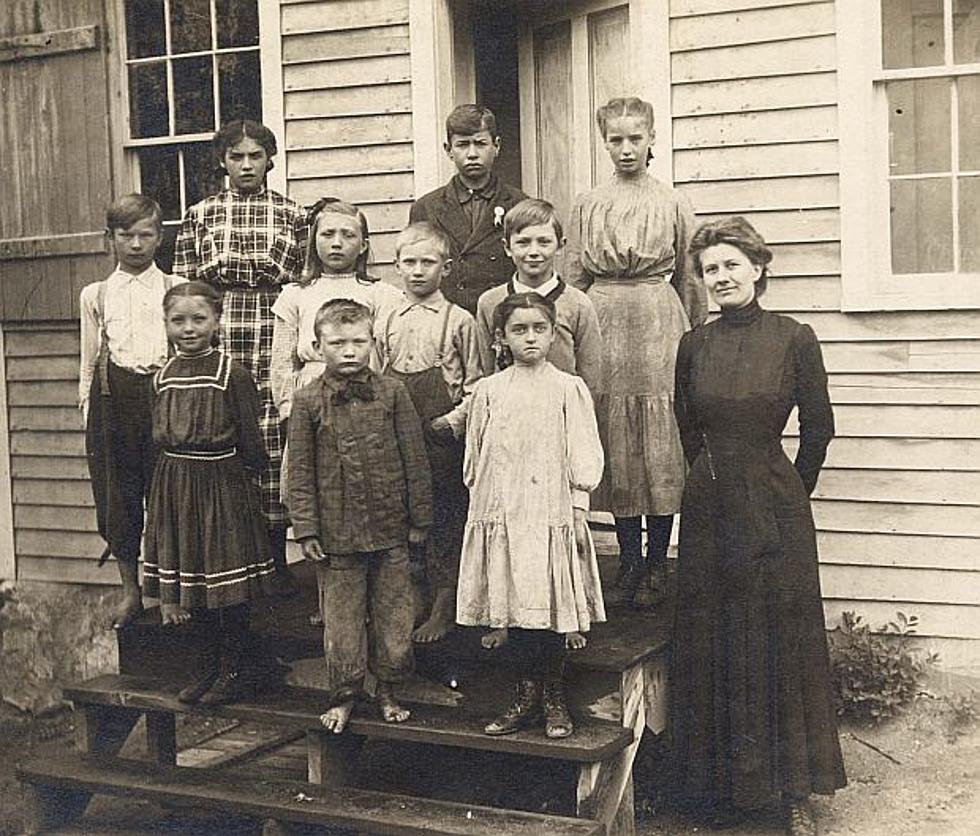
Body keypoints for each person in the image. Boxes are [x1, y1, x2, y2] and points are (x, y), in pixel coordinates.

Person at [671, 217, 845, 836]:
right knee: (714, 634)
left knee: (776, 638)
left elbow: (819, 428)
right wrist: (713, 481)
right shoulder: (694, 343)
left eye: (731, 265)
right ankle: (715, 788)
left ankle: (786, 788)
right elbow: (687, 424)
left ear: (758, 268)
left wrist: (790, 489)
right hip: (710, 505)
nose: (721, 277)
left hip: (775, 506)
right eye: (710, 269)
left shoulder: (795, 338)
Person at [565, 96, 708, 607]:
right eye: (615, 139)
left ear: (652, 140)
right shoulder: (588, 203)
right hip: (605, 317)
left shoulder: (671, 202)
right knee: (619, 440)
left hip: (656, 319)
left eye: (635, 138)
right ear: (604, 142)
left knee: (659, 438)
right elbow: (574, 279)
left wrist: (694, 339)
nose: (626, 149)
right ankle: (626, 560)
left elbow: (692, 278)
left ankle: (654, 563)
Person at [457, 293, 605, 739]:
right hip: (504, 512)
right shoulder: (488, 391)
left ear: (553, 331)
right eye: (519, 330)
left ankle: (555, 699)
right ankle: (524, 696)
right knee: (515, 608)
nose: (530, 338)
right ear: (501, 338)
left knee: (548, 606)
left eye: (539, 329)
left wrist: (578, 507)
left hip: (548, 514)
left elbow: (582, 451)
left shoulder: (567, 388)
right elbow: (476, 459)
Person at [173, 119, 307, 593]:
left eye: (255, 156)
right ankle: (230, 556)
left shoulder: (293, 215)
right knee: (225, 430)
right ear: (222, 162)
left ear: (270, 159)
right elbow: (184, 287)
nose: (246, 165)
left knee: (270, 434)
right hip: (220, 330)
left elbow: (302, 285)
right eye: (236, 157)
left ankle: (275, 556)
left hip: (273, 329)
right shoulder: (201, 215)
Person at [287, 299, 432, 733]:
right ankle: (345, 694)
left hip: (390, 530)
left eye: (358, 342)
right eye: (337, 343)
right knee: (343, 620)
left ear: (373, 342)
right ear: (317, 346)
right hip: (338, 534)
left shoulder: (393, 393)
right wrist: (307, 527)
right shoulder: (308, 400)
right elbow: (300, 470)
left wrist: (420, 519)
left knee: (394, 615)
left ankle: (389, 688)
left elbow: (415, 457)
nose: (349, 351)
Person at [142, 282, 275, 706]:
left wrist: (245, 484)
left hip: (221, 482)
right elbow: (156, 438)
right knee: (192, 579)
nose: (188, 328)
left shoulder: (231, 373)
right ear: (165, 324)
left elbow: (252, 441)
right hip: (175, 485)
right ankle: (206, 665)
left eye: (198, 319)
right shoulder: (161, 377)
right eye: (177, 320)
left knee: (225, 582)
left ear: (216, 321)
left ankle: (234, 669)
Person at [79, 194, 184, 629]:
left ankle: (173, 593)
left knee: (170, 497)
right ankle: (131, 592)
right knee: (118, 500)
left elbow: (188, 349)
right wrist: (86, 408)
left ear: (160, 237)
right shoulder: (96, 295)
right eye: (127, 236)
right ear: (111, 239)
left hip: (164, 400)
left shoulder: (174, 287)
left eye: (146, 235)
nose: (136, 244)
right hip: (112, 404)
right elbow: (87, 359)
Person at [375, 222, 482, 644]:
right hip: (395, 432)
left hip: (439, 435)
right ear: (396, 266)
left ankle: (444, 602)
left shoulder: (460, 321)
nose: (418, 271)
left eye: (428, 262)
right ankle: (412, 593)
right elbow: (376, 375)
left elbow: (477, 386)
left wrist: (450, 423)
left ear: (447, 267)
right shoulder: (386, 318)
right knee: (404, 514)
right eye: (409, 262)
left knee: (443, 516)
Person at [270, 197, 402, 422]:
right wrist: (289, 408)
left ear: (363, 245)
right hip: (312, 397)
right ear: (313, 241)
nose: (337, 243)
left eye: (348, 235)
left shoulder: (383, 295)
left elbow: (389, 356)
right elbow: (282, 362)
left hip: (366, 396)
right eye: (328, 234)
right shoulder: (295, 294)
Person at [409, 104, 527, 314]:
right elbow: (416, 269)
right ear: (449, 150)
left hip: (500, 317)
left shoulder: (519, 205)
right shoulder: (426, 208)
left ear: (496, 146)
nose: (472, 154)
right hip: (446, 318)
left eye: (480, 144)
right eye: (462, 145)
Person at [475, 198, 602, 394]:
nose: (533, 252)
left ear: (560, 246)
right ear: (507, 247)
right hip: (508, 412)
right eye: (523, 243)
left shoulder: (578, 304)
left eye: (544, 242)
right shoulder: (490, 302)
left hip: (561, 413)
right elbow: (485, 369)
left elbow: (591, 377)